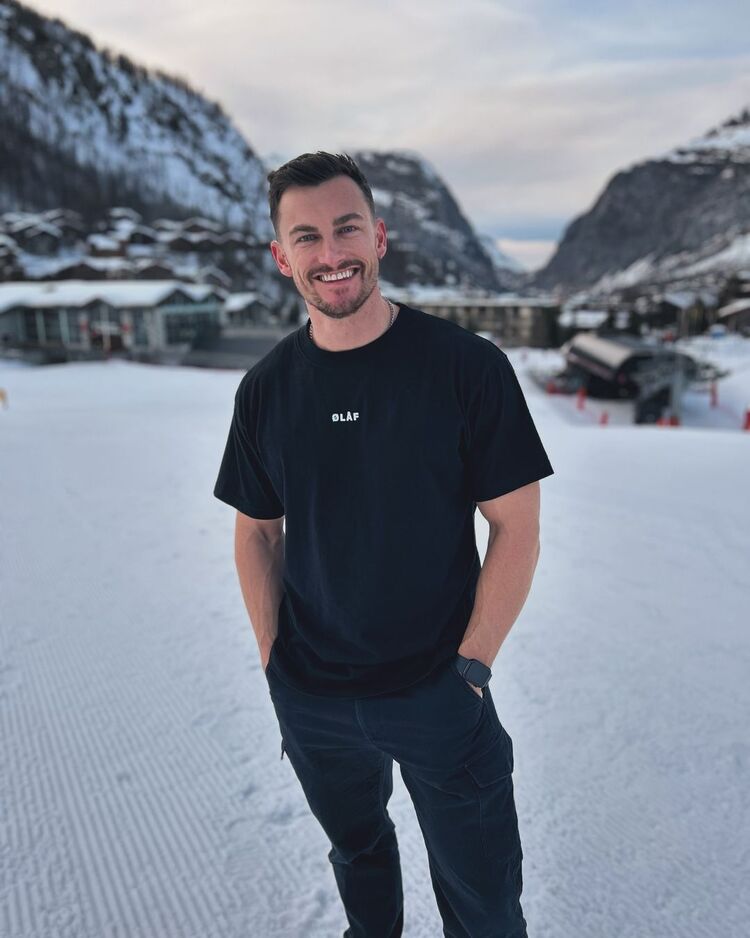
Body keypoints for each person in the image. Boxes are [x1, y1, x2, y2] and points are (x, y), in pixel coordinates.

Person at [213, 151, 554, 938]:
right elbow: (257, 530)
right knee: (360, 864)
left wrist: (471, 668)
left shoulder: (466, 367)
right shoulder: (265, 390)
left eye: (347, 228)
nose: (331, 253)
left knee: (485, 907)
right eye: (307, 237)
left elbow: (517, 526)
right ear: (281, 256)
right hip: (314, 700)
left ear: (380, 237)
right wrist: (273, 659)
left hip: (439, 693)